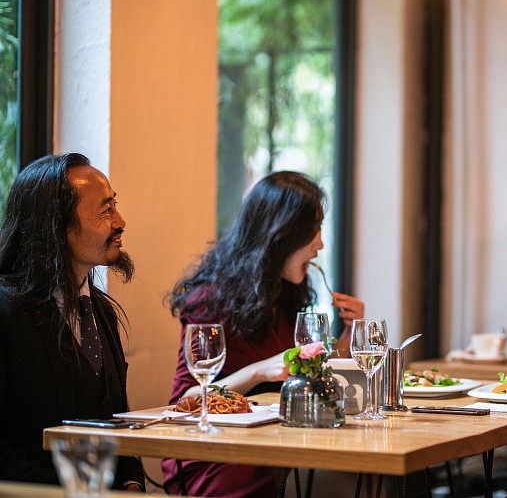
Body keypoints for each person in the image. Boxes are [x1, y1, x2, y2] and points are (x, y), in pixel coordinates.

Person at [161, 171, 364, 498]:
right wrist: (257, 371)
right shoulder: (211, 299)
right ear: (281, 234)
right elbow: (185, 403)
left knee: (357, 478)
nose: (321, 244)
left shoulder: (284, 293)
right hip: (216, 456)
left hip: (271, 448)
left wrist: (350, 331)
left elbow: (314, 375)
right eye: (313, 231)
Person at [0, 153, 144, 490]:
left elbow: (116, 425)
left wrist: (132, 484)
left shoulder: (101, 312)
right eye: (105, 209)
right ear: (56, 226)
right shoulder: (6, 314)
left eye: (115, 205)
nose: (120, 221)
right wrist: (84, 490)